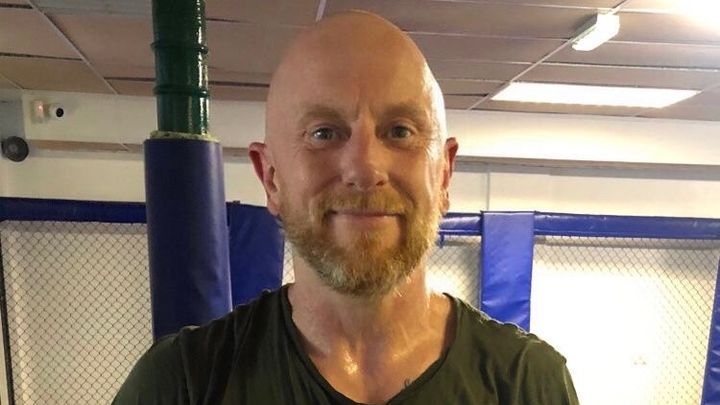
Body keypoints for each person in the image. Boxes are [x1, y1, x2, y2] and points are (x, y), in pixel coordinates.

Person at [114, 10, 578, 405]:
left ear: (443, 174)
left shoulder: (526, 383)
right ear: (271, 177)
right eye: (324, 133)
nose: (365, 168)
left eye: (399, 131)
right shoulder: (184, 383)